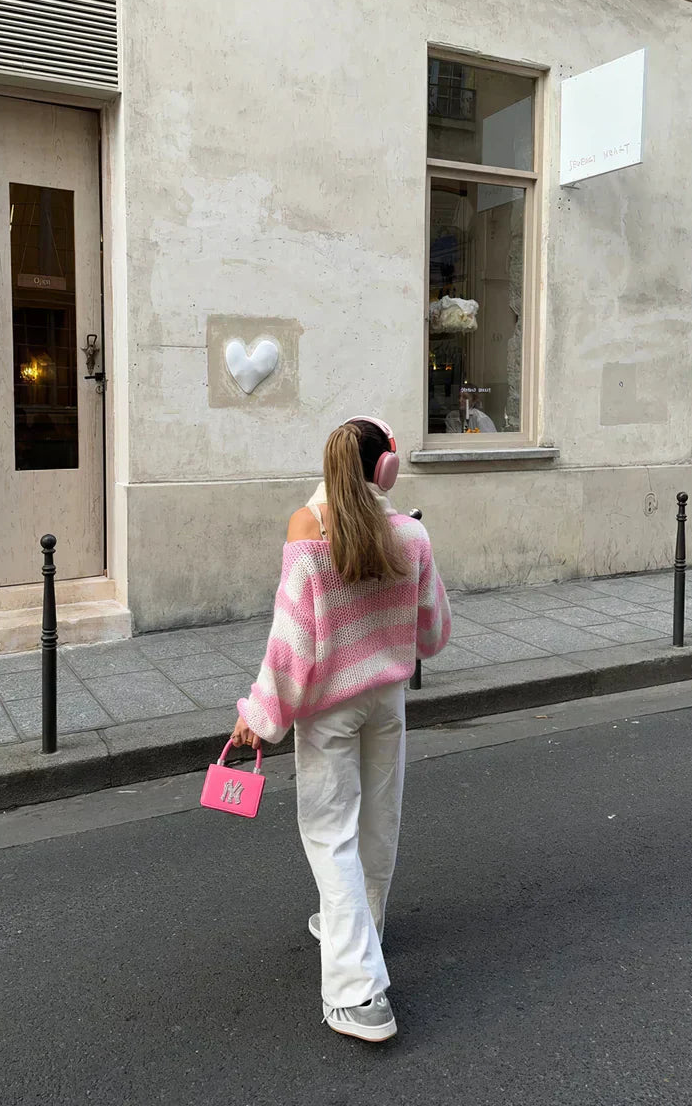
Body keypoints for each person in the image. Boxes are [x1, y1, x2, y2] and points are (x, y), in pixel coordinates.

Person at [231, 416, 451, 1043]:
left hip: (329, 708)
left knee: (332, 835)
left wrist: (258, 717)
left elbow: (291, 646)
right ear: (386, 468)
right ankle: (361, 931)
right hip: (388, 700)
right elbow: (434, 635)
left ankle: (358, 994)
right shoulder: (411, 534)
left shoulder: (309, 530)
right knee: (379, 825)